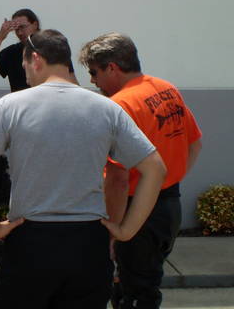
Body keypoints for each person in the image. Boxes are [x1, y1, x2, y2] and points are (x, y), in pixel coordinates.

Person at [0, 29, 167, 309]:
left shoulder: (11, 106)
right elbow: (155, 169)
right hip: (88, 243)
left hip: (30, 241)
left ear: (35, 59)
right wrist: (126, 231)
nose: (25, 75)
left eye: (24, 65)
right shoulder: (106, 108)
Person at [79, 32, 203, 309]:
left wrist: (114, 231)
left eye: (94, 72)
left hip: (137, 212)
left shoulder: (120, 105)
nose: (93, 81)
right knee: (145, 286)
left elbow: (118, 178)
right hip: (169, 206)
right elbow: (194, 143)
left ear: (112, 67)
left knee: (133, 293)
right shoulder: (166, 88)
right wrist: (167, 182)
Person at [0, 8, 77, 90]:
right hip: (21, 104)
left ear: (35, 25)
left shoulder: (54, 48)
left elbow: (71, 80)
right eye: (16, 29)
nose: (20, 33)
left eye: (23, 27)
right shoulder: (11, 52)